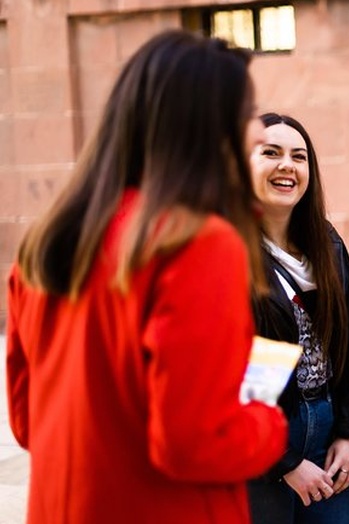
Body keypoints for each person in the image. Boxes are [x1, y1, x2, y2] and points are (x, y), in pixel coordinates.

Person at [5, 30, 288, 523]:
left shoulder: (49, 242)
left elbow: (29, 422)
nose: (260, 131)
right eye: (247, 113)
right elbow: (193, 442)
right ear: (205, 125)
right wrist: (268, 423)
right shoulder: (197, 243)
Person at [244, 113, 349, 524]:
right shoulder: (226, 252)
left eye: (299, 157)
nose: (287, 165)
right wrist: (283, 462)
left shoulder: (326, 243)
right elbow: (219, 373)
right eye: (271, 153)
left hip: (328, 430)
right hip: (260, 446)